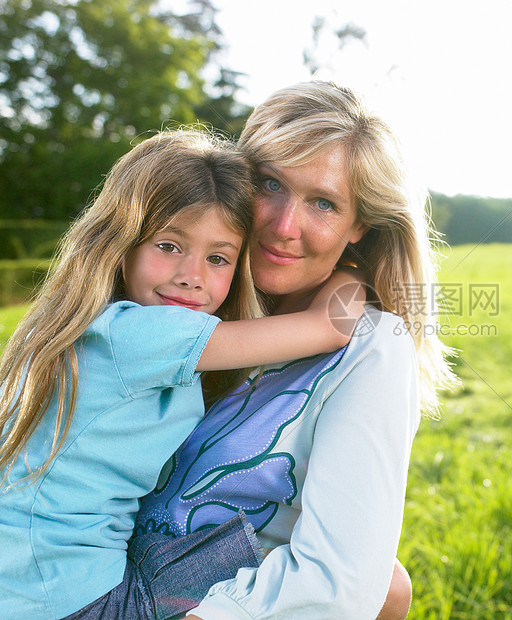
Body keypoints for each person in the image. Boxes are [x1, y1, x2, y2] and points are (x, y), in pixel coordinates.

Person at [0, 129, 365, 619]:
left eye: (217, 258)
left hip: (35, 588)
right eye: (169, 245)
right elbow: (329, 325)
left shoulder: (92, 327)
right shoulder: (139, 336)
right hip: (79, 602)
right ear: (122, 241)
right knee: (318, 569)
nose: (191, 275)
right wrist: (357, 266)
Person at [134, 81, 458, 619]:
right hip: (78, 577)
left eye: (324, 203)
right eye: (270, 184)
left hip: (206, 605)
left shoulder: (372, 346)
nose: (285, 227)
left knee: (389, 587)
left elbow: (339, 580)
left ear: (361, 226)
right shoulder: (179, 292)